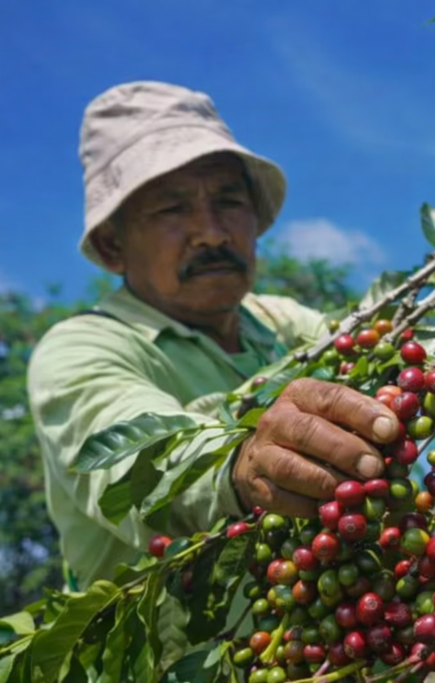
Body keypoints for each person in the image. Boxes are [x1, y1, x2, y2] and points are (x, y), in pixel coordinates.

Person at [26, 81, 400, 590]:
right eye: (171, 209)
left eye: (228, 201)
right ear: (114, 245)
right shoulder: (80, 351)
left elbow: (398, 354)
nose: (213, 233)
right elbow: (135, 469)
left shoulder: (285, 324)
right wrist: (240, 463)